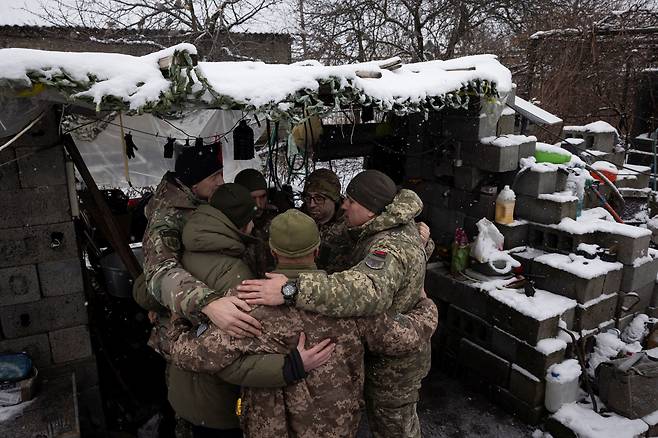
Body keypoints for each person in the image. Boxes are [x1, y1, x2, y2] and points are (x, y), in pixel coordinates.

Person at [151, 209, 438, 437]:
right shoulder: (350, 302)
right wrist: (427, 307)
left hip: (271, 428)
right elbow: (403, 338)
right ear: (316, 251)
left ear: (273, 252)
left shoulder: (246, 303)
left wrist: (171, 321)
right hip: (335, 427)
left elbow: (191, 355)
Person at [237, 170, 433, 438]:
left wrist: (291, 288)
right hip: (392, 353)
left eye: (351, 201)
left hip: (393, 370)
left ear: (370, 207)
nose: (345, 205)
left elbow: (367, 290)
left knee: (395, 429)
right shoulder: (390, 229)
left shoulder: (388, 246)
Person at [141, 143, 261, 337]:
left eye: (221, 174)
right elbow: (159, 272)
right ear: (194, 183)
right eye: (214, 177)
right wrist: (207, 302)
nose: (221, 182)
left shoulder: (195, 201)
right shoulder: (168, 218)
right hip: (182, 321)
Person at [300, 168, 353, 273]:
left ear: (334, 199)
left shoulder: (349, 226)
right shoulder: (299, 221)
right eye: (308, 198)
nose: (312, 204)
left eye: (319, 199)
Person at [234, 168, 278, 277]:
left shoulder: (277, 222)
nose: (258, 204)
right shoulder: (232, 225)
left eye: (262, 197)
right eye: (252, 198)